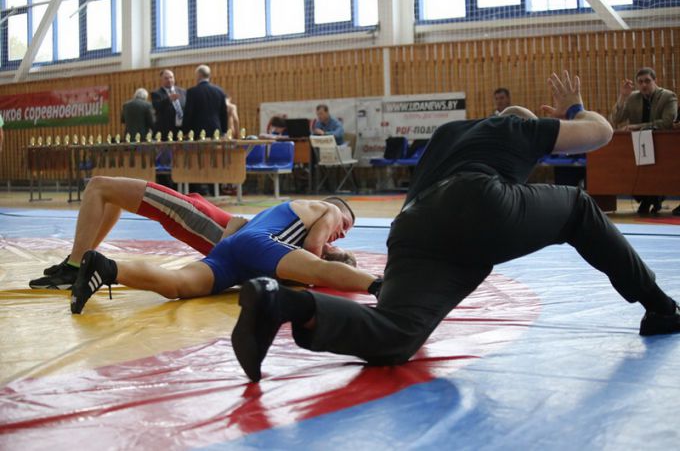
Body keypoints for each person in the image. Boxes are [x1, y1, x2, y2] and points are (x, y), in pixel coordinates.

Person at [230, 71, 680, 383]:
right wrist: (571, 110)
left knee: (397, 334)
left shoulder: (449, 132)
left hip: (413, 227)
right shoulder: (513, 129)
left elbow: (432, 209)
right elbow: (599, 133)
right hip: (475, 203)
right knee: (579, 207)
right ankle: (661, 307)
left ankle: (283, 305)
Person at [69, 198, 377, 315]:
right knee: (318, 271)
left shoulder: (280, 218)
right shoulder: (330, 210)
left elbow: (236, 230)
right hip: (257, 246)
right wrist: (328, 261)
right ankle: (380, 284)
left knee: (177, 284)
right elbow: (313, 251)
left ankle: (108, 267)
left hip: (234, 252)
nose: (342, 234)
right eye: (345, 227)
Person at [28, 176, 235, 290]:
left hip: (202, 219)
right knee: (111, 196)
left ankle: (73, 269)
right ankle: (79, 261)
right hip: (205, 218)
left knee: (98, 186)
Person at [610, 67, 678, 215]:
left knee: (658, 171)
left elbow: (667, 122)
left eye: (647, 81)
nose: (644, 85)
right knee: (628, 169)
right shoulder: (633, 98)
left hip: (663, 145)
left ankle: (655, 198)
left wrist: (637, 127)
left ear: (655, 81)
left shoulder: (668, 96)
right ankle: (647, 199)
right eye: (640, 82)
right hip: (638, 144)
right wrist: (622, 97)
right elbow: (615, 120)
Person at [183, 65, 228, 137]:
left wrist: (185, 131)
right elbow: (223, 113)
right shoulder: (220, 91)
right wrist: (224, 131)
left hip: (197, 130)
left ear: (199, 75)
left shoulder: (192, 92)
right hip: (216, 129)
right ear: (209, 75)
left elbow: (188, 113)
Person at [151, 69, 186, 140]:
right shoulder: (156, 93)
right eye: (166, 78)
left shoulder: (182, 91)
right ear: (161, 80)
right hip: (166, 130)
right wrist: (169, 100)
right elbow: (157, 107)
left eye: (171, 77)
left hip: (181, 128)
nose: (169, 80)